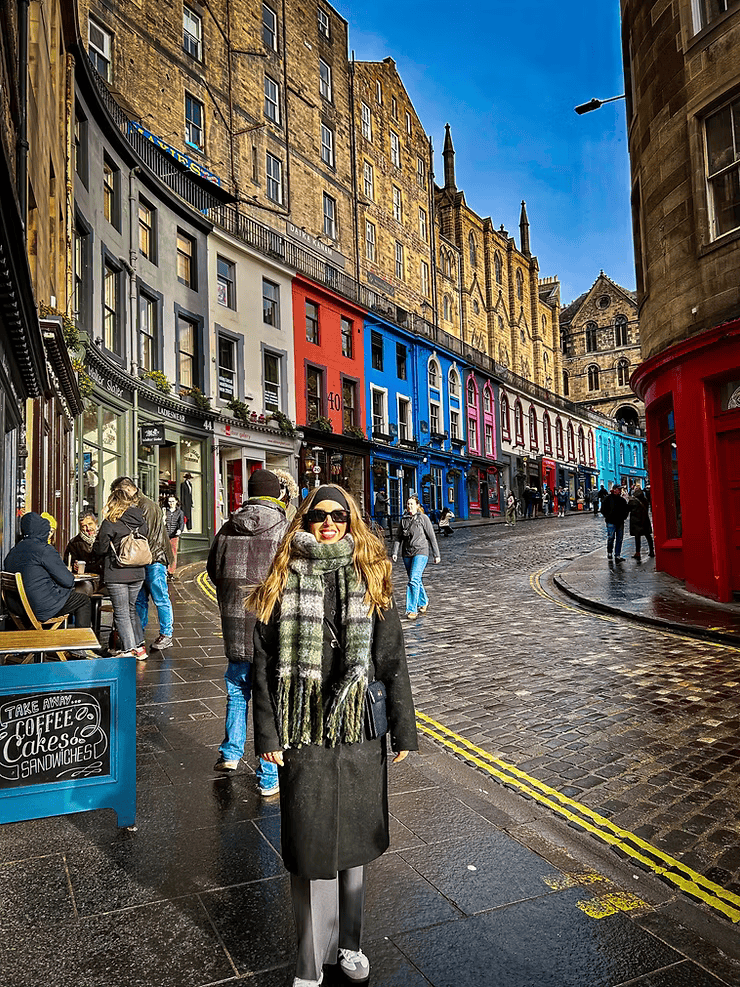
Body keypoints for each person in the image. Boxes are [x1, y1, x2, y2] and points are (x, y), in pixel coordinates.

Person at [249, 484, 418, 987]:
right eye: (319, 515)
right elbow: (262, 665)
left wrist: (404, 730)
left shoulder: (372, 574)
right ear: (304, 520)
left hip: (358, 729)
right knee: (309, 846)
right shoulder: (281, 577)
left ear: (350, 520)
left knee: (356, 846)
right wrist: (267, 736)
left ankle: (349, 945)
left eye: (339, 516)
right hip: (302, 728)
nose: (329, 523)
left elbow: (391, 658)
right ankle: (308, 963)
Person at [207, 468, 288, 795]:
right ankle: (268, 777)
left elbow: (213, 570)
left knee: (237, 689)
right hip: (270, 629)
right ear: (276, 494)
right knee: (268, 699)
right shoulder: (283, 528)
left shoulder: (227, 527)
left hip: (234, 625)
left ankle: (230, 752)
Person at [3, 513, 94, 654]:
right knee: (83, 600)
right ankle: (80, 648)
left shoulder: (14, 551)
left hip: (17, 608)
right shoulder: (44, 549)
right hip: (40, 608)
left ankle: (51, 644)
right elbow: (68, 580)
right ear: (42, 530)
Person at [111, 476, 175, 650]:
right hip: (143, 559)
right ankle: (138, 634)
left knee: (160, 597)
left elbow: (144, 536)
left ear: (127, 489)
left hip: (154, 559)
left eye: (118, 493)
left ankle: (166, 634)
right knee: (140, 600)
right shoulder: (139, 504)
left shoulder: (146, 506)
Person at [93, 487, 149, 660]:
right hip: (138, 572)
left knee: (121, 612)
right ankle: (140, 648)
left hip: (117, 573)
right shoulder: (141, 520)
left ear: (113, 503)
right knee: (131, 609)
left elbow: (101, 549)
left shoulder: (110, 522)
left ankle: (129, 649)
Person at [391, 494, 440, 620]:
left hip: (421, 552)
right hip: (407, 553)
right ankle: (423, 601)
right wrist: (394, 552)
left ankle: (412, 609)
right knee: (415, 579)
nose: (409, 506)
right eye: (408, 504)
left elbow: (431, 537)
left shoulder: (423, 518)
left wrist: (436, 554)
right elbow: (398, 537)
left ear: (417, 505)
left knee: (413, 579)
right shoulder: (404, 519)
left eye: (412, 504)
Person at [64, 511, 104, 592]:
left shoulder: (103, 538)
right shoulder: (74, 543)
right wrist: (74, 566)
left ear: (96, 522)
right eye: (84, 526)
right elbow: (67, 562)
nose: (88, 528)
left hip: (103, 579)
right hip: (85, 580)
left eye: (90, 524)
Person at [601, 483, 630, 561]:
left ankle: (617, 554)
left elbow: (626, 509)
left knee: (619, 539)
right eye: (618, 489)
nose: (620, 491)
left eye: (620, 489)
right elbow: (603, 509)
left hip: (620, 522)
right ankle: (609, 552)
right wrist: (608, 516)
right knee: (611, 537)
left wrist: (624, 517)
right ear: (614, 490)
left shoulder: (622, 500)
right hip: (611, 521)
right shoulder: (608, 499)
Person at [628, 481, 655, 560]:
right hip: (645, 520)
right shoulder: (645, 500)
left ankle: (638, 552)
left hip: (636, 521)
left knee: (637, 537)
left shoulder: (633, 501)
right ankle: (651, 551)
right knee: (648, 536)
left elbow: (628, 509)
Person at [163, 495, 186, 575]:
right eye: (169, 501)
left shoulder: (180, 512)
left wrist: (179, 530)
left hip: (174, 535)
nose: (171, 503)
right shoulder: (165, 511)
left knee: (173, 553)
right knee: (164, 552)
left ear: (176, 502)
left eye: (173, 501)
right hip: (165, 535)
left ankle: (171, 571)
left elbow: (181, 523)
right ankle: (164, 568)